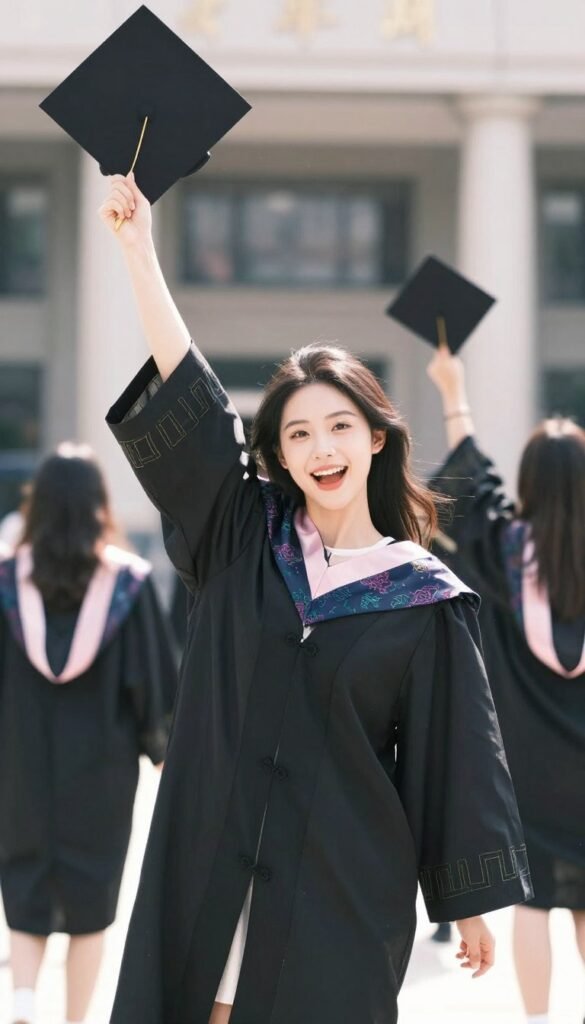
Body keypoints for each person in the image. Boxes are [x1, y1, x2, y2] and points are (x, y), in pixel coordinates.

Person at [99, 172, 532, 1024]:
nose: (320, 448)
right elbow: (194, 402)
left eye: (338, 427)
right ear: (280, 456)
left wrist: (469, 900)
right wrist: (140, 252)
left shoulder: (421, 597)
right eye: (297, 433)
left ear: (375, 439)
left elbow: (450, 754)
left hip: (336, 885)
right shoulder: (241, 537)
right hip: (209, 858)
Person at [428, 345, 585, 1024]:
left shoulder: (502, 552)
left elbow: (470, 483)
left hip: (528, 766)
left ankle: (537, 1020)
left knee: (534, 903)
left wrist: (453, 390)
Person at [0, 442, 178, 1024]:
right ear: (99, 504)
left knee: (24, 884)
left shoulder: (7, 581)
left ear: (37, 505)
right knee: (90, 904)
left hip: (19, 765)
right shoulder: (126, 584)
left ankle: (23, 1002)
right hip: (101, 773)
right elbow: (154, 687)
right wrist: (164, 754)